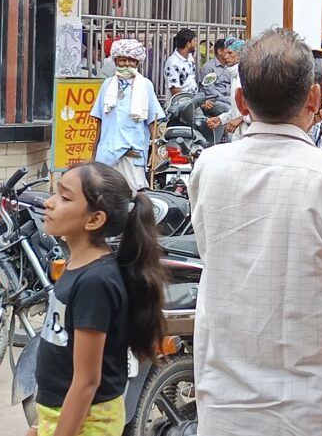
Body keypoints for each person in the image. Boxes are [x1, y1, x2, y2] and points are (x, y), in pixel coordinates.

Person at [190, 28, 322, 436]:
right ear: (314, 98)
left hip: (227, 412)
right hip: (319, 413)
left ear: (241, 101)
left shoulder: (209, 166)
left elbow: (211, 251)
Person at [35, 162, 166, 436]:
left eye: (65, 197)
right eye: (54, 192)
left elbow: (86, 382)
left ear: (94, 219)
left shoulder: (96, 282)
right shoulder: (79, 267)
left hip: (89, 423)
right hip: (64, 415)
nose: (49, 203)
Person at [90, 39, 165, 191]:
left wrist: (155, 150)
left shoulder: (145, 85)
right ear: (116, 61)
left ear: (137, 63)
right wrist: (94, 151)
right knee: (106, 196)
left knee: (133, 195)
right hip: (107, 153)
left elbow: (153, 121)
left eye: (131, 61)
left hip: (132, 152)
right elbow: (99, 119)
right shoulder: (107, 84)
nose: (126, 64)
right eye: (122, 60)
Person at [207, 38, 251, 141]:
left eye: (230, 53)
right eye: (225, 53)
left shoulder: (248, 76)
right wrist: (220, 119)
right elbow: (236, 110)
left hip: (250, 134)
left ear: (241, 55)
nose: (225, 56)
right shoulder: (234, 75)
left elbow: (259, 111)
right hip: (238, 135)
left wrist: (241, 119)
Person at [199, 38, 232, 118]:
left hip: (229, 99)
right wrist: (228, 100)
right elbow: (210, 91)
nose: (230, 54)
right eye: (227, 51)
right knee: (229, 109)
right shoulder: (208, 67)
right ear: (220, 51)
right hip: (213, 101)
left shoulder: (231, 66)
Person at [164, 28, 199, 102]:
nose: (196, 44)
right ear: (188, 44)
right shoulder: (172, 63)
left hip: (193, 100)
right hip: (180, 105)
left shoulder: (190, 57)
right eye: (194, 41)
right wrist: (194, 101)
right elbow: (175, 91)